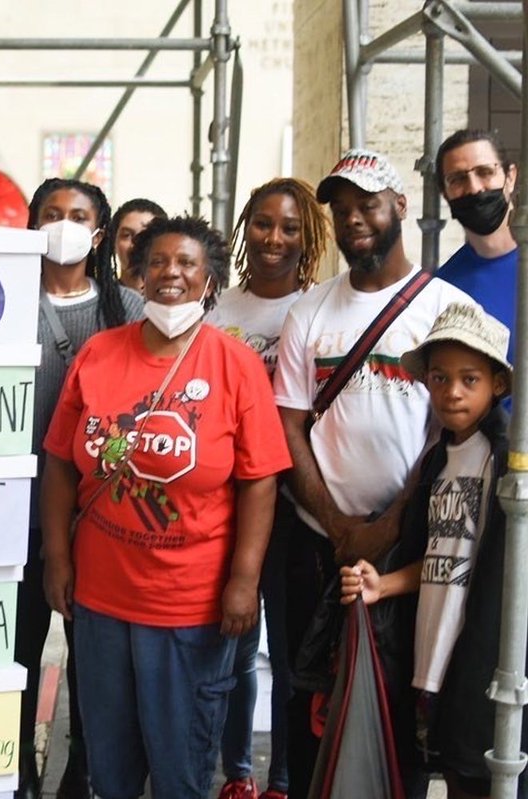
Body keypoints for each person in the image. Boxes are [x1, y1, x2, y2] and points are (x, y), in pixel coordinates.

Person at [41, 214, 291, 799]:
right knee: (111, 767)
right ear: (139, 274)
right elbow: (59, 461)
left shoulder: (235, 365)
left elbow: (260, 482)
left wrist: (243, 580)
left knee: (182, 770)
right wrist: (58, 557)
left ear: (209, 280)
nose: (170, 274)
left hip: (189, 608)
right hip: (101, 603)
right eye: (157, 262)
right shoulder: (100, 353)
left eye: (186, 264)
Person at [272, 148, 475, 799]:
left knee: (395, 706)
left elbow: (447, 437)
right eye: (342, 207)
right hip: (316, 544)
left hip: (405, 549)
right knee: (310, 701)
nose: (354, 217)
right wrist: (336, 524)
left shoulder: (443, 306)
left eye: (368, 203)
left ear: (401, 207)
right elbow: (290, 426)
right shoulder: (311, 311)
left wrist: (388, 525)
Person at [341, 302, 520, 799]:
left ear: (497, 384)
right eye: (440, 379)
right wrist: (385, 584)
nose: (452, 392)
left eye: (469, 379)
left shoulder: (508, 460)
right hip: (431, 656)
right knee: (451, 776)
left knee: (480, 778)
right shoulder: (439, 459)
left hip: (479, 662)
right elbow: (440, 557)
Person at [16, 177, 144, 799]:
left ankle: (84, 773)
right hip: (16, 517)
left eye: (77, 216)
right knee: (16, 655)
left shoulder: (130, 311)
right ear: (31, 222)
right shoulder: (2, 301)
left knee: (98, 665)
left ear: (99, 233)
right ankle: (15, 771)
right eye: (51, 214)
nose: (63, 225)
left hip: (102, 522)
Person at [205, 177, 331, 799]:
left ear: (307, 236)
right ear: (244, 227)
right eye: (262, 222)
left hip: (290, 503)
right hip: (222, 502)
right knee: (230, 646)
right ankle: (238, 773)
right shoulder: (217, 310)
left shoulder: (314, 310)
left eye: (289, 227)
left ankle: (282, 778)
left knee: (285, 653)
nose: (273, 237)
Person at [434, 129, 519, 361]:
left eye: (485, 172)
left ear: (510, 177)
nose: (474, 188)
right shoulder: (444, 288)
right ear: (445, 194)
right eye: (458, 179)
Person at [110, 198, 166, 292]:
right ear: (114, 242)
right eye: (127, 235)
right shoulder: (100, 300)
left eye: (146, 235)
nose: (136, 244)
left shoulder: (175, 300)